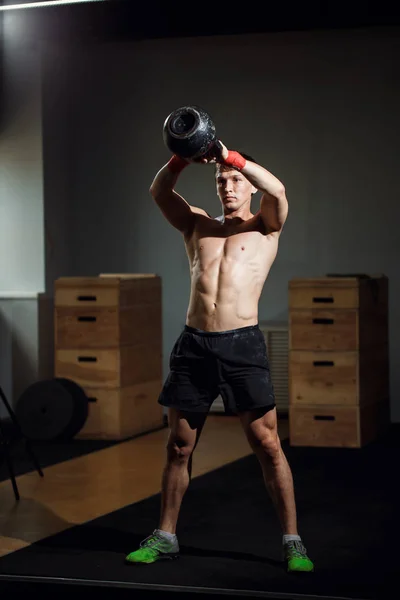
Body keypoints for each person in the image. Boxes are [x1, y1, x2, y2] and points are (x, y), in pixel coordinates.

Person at [125, 140, 314, 573]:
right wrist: (181, 157)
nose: (228, 187)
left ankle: (293, 541)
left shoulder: (266, 226)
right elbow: (159, 191)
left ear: (249, 186)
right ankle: (166, 536)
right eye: (221, 181)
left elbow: (279, 190)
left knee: (267, 446)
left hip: (241, 346)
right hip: (194, 346)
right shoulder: (196, 226)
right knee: (178, 447)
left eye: (235, 181)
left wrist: (233, 158)